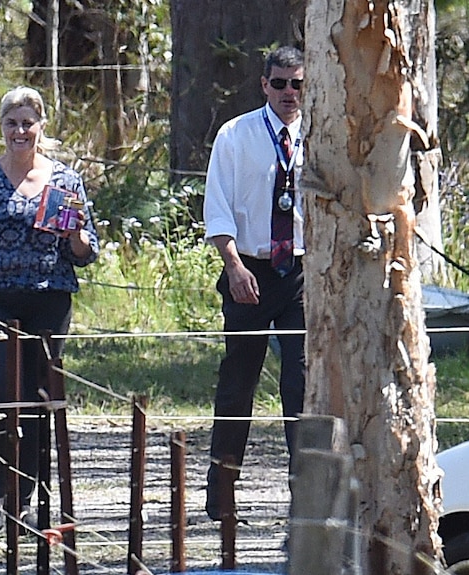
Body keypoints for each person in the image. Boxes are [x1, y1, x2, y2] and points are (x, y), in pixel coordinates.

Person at [0, 86, 99, 533]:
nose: (20, 131)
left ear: (41, 126)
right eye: (12, 123)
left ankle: (27, 499)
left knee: (37, 401)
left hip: (49, 301)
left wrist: (77, 236)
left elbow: (85, 254)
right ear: (1, 128)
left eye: (28, 122)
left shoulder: (65, 182)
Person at [202, 46, 305, 520]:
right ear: (264, 85)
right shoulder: (236, 134)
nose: (289, 93)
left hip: (302, 271)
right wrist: (233, 266)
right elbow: (218, 208)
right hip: (249, 268)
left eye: (297, 84)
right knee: (238, 382)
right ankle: (222, 493)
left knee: (301, 383)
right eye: (280, 83)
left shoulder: (318, 134)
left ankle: (306, 496)